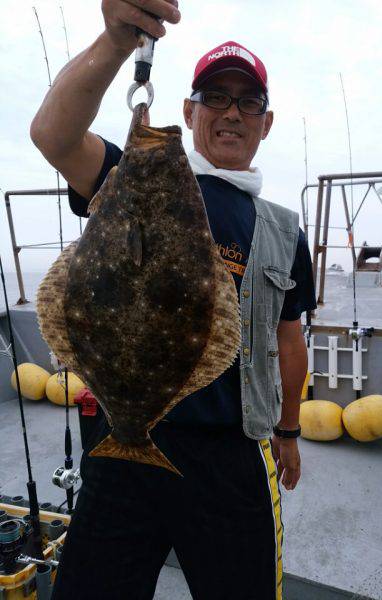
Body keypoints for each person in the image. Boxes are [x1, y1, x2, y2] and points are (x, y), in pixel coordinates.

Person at [31, 2, 317, 598]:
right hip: (121, 435)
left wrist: (288, 431)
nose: (232, 112)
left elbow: (289, 336)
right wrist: (116, 40)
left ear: (267, 124)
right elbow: (53, 135)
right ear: (187, 112)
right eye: (216, 97)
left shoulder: (284, 231)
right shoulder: (129, 177)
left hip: (230, 452)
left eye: (249, 102)